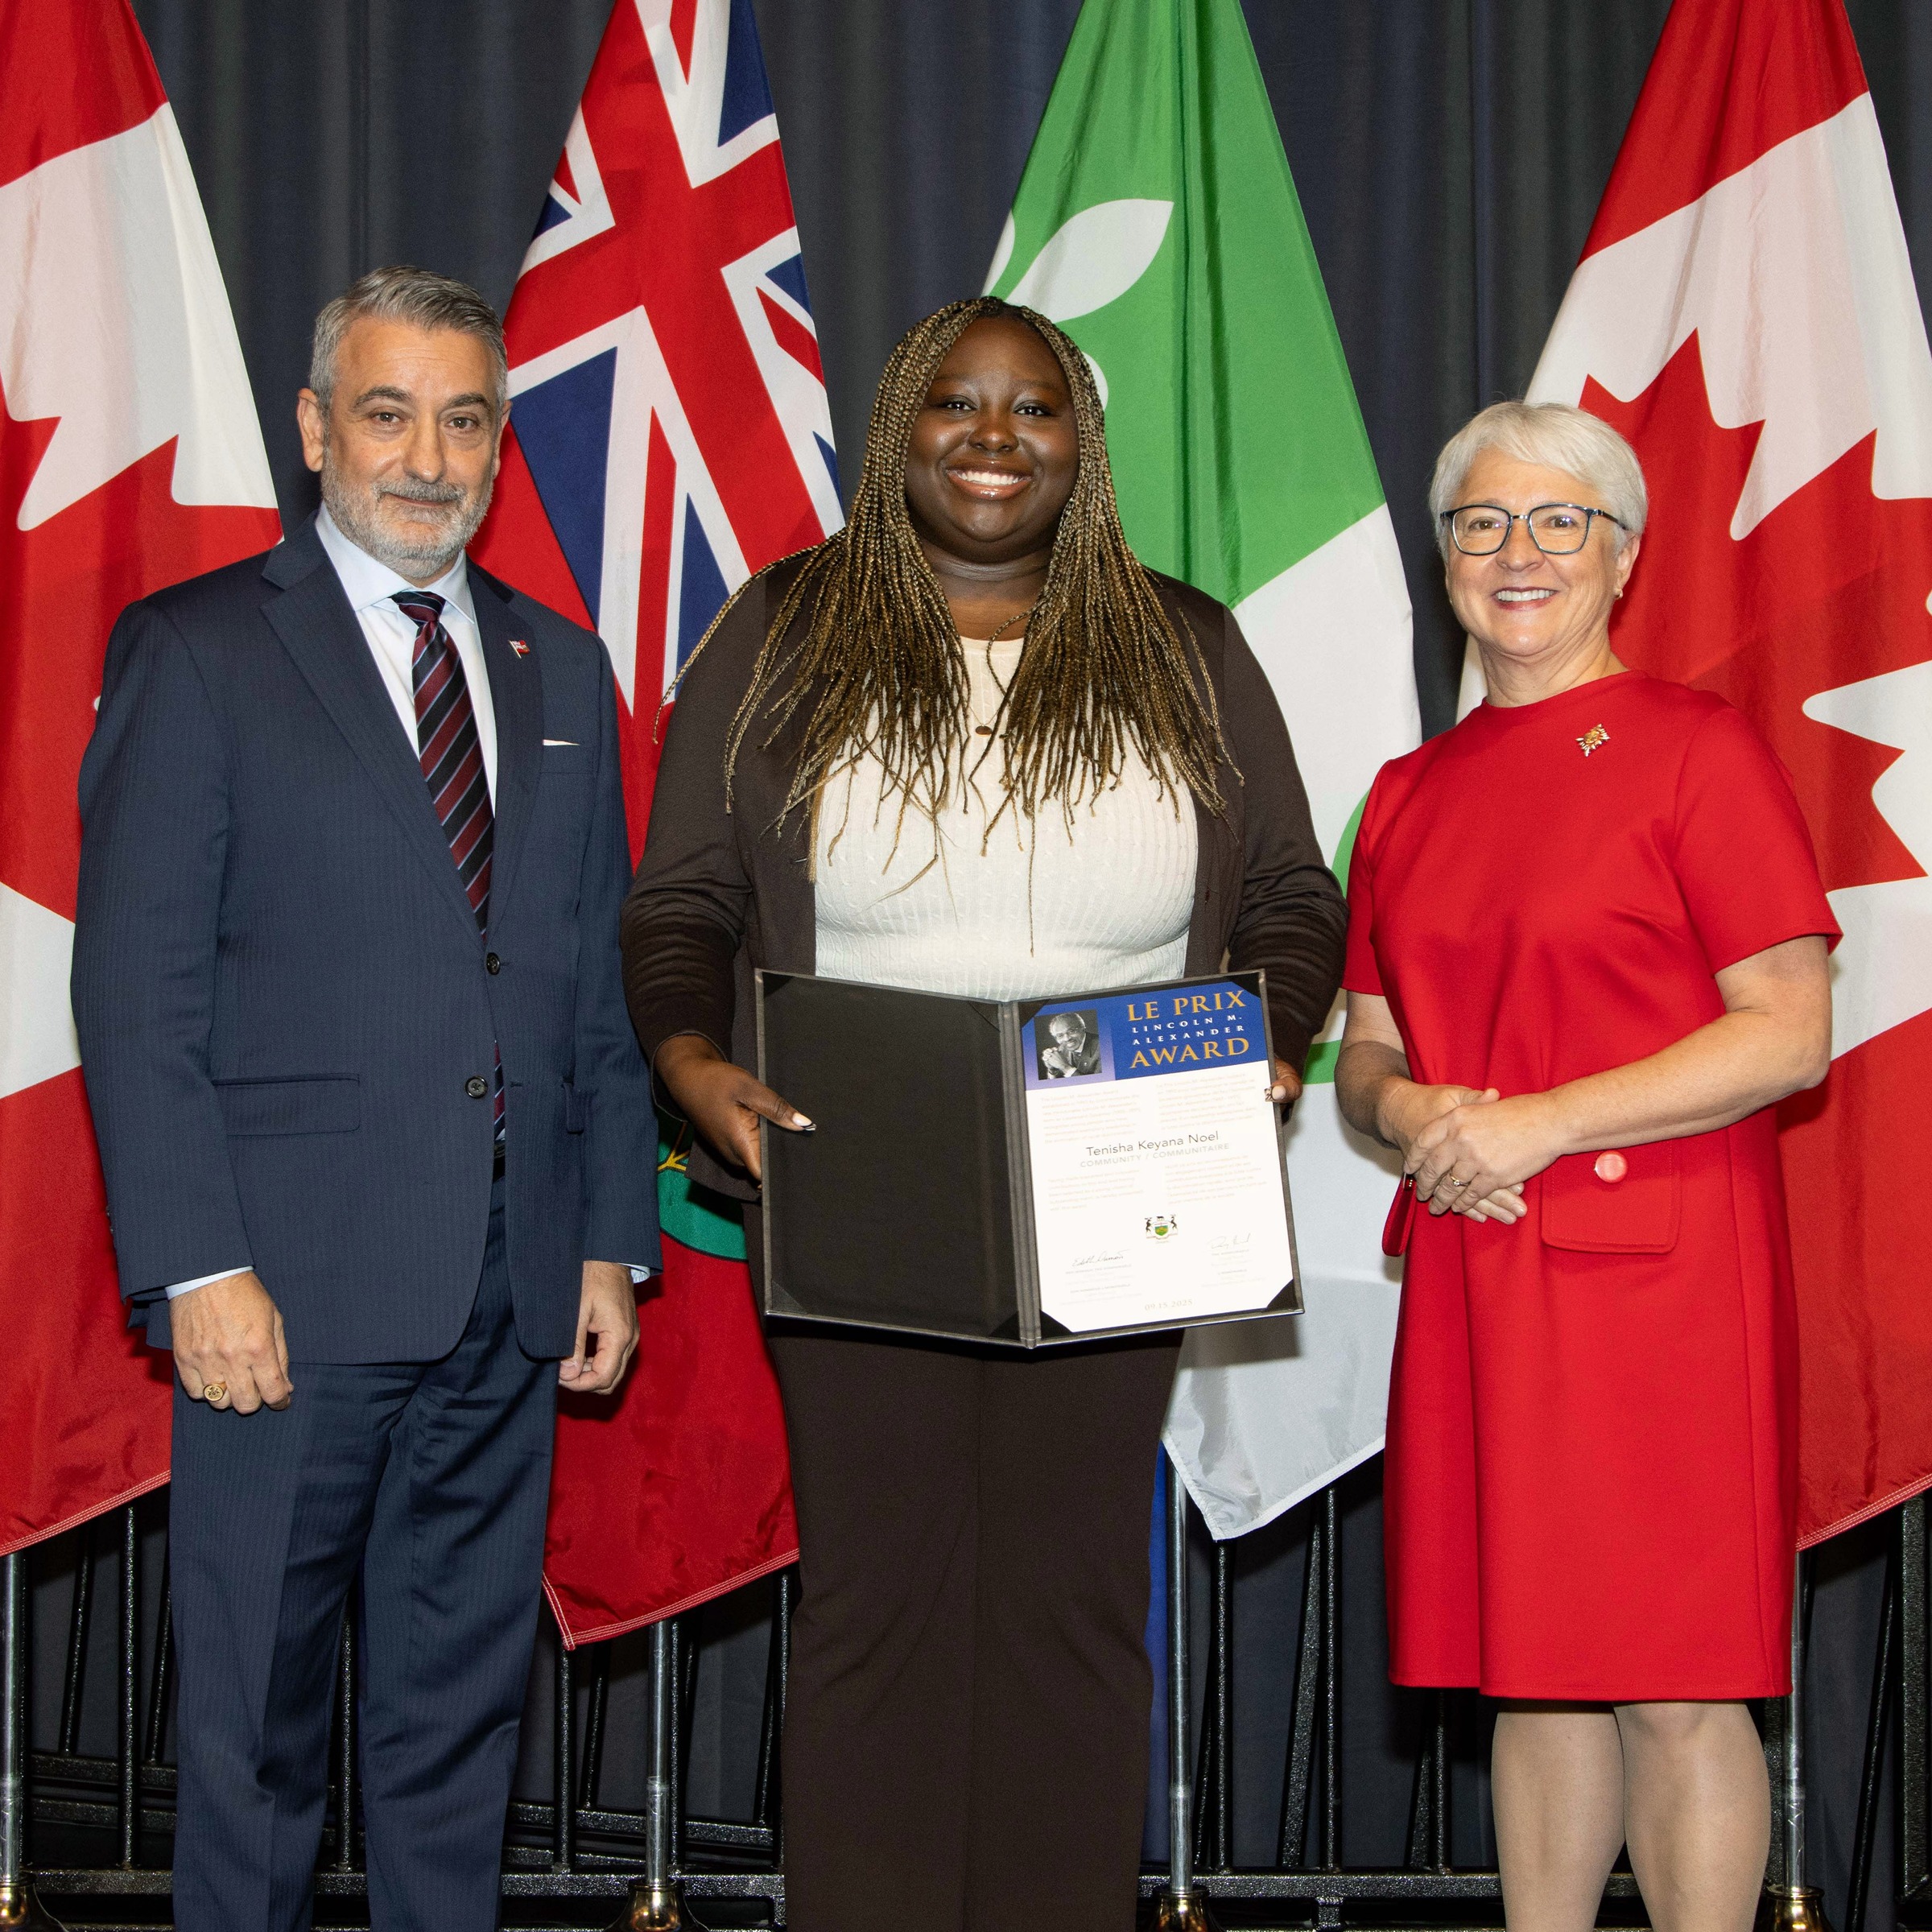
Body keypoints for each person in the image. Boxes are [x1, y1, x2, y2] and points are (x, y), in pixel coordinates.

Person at [621, 296, 1345, 1932]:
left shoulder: (1185, 641)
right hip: (855, 1157)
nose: (994, 435)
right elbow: (680, 900)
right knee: (879, 1604)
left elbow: (1295, 893)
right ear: (900, 429)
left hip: (1119, 1159)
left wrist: (1271, 1041)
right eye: (956, 401)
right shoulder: (784, 627)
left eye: (1033, 408)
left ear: (1082, 446)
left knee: (1072, 1605)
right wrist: (689, 1061)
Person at [71, 266, 658, 1932]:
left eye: (463, 418)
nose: (427, 455)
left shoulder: (559, 666)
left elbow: (588, 978)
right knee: (251, 1732)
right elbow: (138, 994)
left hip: (509, 1293)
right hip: (282, 1295)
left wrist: (610, 1236)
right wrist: (196, 1267)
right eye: (387, 413)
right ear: (316, 430)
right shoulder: (194, 652)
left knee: (456, 1728)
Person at [1335, 401, 1836, 1932]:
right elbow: (1364, 1053)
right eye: (1482, 523)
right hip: (1483, 1270)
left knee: (1680, 1686)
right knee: (1530, 1677)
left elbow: (1790, 1035)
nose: (1518, 552)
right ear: (1444, 563)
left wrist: (1541, 1123)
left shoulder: (1701, 750)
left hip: (1666, 1284)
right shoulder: (1408, 796)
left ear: (1621, 556)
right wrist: (1417, 1119)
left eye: (1560, 521)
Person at [1040, 1009, 1100, 1077]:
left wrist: (1065, 1067)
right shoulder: (1061, 1050)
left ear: (1083, 1028)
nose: (1067, 1039)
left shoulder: (1103, 1047)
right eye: (1060, 1035)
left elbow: (1098, 1086)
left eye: (1071, 1031)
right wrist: (1053, 1070)